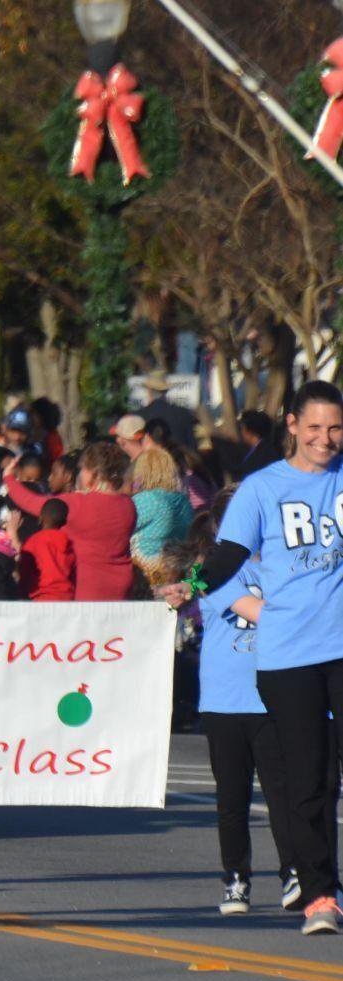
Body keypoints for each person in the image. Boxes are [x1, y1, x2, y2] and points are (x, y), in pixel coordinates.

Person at [162, 381, 343, 934]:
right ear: (291, 425)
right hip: (287, 657)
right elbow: (227, 557)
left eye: (335, 428)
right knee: (309, 778)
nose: (325, 439)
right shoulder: (262, 489)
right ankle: (320, 896)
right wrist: (188, 585)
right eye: (314, 427)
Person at [182, 492, 296, 917]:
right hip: (225, 701)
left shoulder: (286, 567)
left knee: (284, 795)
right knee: (232, 800)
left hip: (275, 698)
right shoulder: (210, 572)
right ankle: (236, 879)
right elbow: (259, 611)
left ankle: (294, 874)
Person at [2, 441, 135, 601]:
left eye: (83, 469)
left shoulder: (78, 503)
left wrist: (9, 478)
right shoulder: (128, 505)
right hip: (121, 588)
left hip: (85, 586)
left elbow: (31, 502)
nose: (80, 474)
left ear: (94, 472)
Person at [129, 446, 192, 587]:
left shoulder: (147, 499)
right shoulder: (184, 502)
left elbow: (122, 526)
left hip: (148, 575)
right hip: (177, 573)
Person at [18, 498, 75, 601]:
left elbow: (24, 572)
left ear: (40, 518)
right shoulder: (69, 544)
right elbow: (73, 574)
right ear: (64, 522)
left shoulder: (34, 541)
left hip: (42, 598)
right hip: (66, 598)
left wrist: (22, 596)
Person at [138, 373, 198, 451]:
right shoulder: (183, 413)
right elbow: (193, 447)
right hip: (179, 460)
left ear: (149, 391)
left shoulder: (140, 415)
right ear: (166, 391)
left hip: (152, 461)